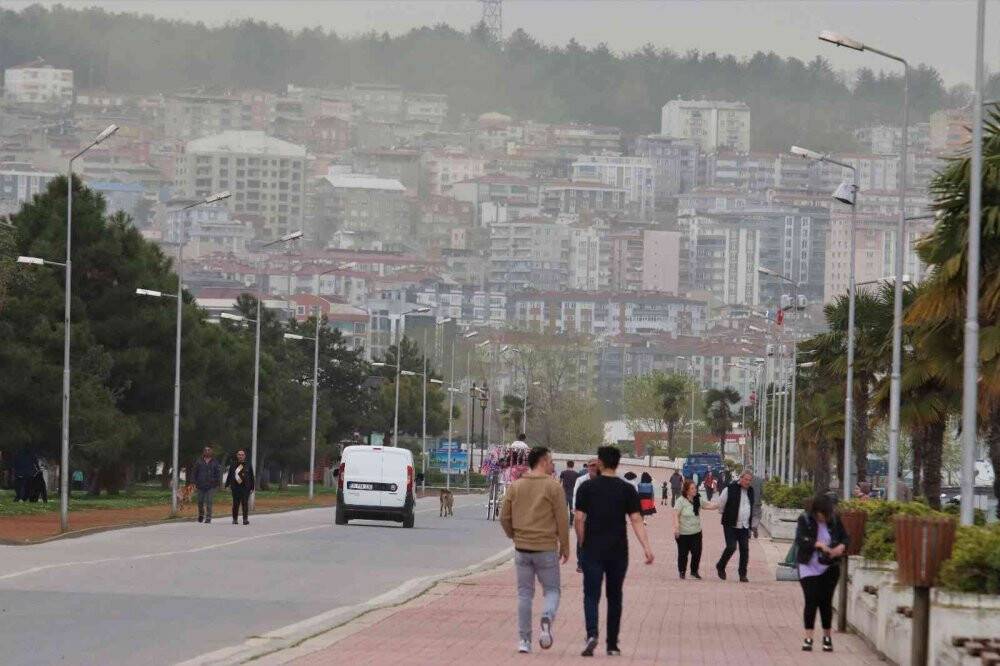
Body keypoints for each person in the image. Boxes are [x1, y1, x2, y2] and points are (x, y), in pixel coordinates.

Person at [574, 446, 655, 657]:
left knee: (591, 593)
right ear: (618, 463)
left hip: (592, 548)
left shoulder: (587, 487)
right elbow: (636, 519)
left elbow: (579, 519)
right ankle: (612, 644)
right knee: (615, 595)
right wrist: (646, 547)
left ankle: (592, 633)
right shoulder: (627, 489)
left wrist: (582, 542)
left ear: (600, 463)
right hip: (618, 549)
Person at [500, 446, 570, 655]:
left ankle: (524, 640)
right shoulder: (554, 487)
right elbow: (562, 519)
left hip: (522, 548)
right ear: (543, 461)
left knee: (524, 594)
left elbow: (504, 517)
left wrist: (513, 535)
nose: (552, 464)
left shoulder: (516, 486)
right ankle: (547, 616)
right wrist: (565, 545)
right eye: (551, 461)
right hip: (546, 548)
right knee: (552, 590)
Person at [795, 494, 849, 653]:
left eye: (827, 514)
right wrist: (817, 544)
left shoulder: (834, 520)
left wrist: (840, 547)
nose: (824, 518)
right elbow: (800, 540)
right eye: (821, 514)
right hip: (808, 566)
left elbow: (845, 538)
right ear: (815, 511)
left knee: (826, 602)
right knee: (811, 600)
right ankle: (808, 637)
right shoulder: (805, 519)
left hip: (829, 567)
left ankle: (827, 637)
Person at [673, 479, 719, 579]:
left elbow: (708, 505)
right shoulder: (681, 501)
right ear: (686, 490)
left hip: (696, 532)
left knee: (697, 552)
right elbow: (675, 515)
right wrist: (676, 528)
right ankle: (682, 571)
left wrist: (720, 504)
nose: (695, 490)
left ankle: (694, 571)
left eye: (695, 488)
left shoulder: (698, 499)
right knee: (683, 554)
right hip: (683, 533)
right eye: (692, 488)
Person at [715, 470, 755, 583]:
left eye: (749, 480)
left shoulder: (751, 491)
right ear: (740, 478)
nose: (748, 482)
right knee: (731, 547)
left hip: (744, 525)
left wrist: (752, 525)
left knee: (745, 550)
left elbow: (752, 506)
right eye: (746, 479)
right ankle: (721, 565)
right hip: (730, 524)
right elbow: (721, 503)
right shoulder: (730, 488)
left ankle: (743, 574)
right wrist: (727, 514)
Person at [572, 458, 600, 573]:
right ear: (587, 467)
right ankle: (581, 564)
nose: (593, 468)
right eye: (591, 465)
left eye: (596, 465)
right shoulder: (580, 480)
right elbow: (575, 495)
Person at [192, 445, 222, 523]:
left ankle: (208, 517)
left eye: (209, 450)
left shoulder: (215, 462)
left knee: (209, 502)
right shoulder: (199, 461)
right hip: (200, 485)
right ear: (203, 452)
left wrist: (217, 483)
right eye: (206, 450)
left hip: (211, 486)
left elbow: (218, 474)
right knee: (200, 502)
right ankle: (201, 515)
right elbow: (194, 473)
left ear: (211, 451)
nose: (207, 451)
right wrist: (194, 483)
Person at [225, 449, 255, 525]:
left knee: (245, 503)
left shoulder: (248, 465)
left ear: (244, 456)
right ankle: (235, 519)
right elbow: (230, 475)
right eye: (239, 455)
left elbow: (251, 476)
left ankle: (245, 519)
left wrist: (252, 487)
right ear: (237, 456)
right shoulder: (233, 464)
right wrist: (227, 485)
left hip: (245, 487)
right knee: (235, 504)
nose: (241, 456)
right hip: (235, 487)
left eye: (242, 455)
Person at [559, 461, 579, 525]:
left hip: (564, 493)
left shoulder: (563, 473)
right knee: (572, 509)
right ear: (573, 465)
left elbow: (560, 482)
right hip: (572, 493)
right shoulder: (576, 474)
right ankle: (571, 523)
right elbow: (577, 484)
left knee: (564, 509)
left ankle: (564, 522)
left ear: (567, 465)